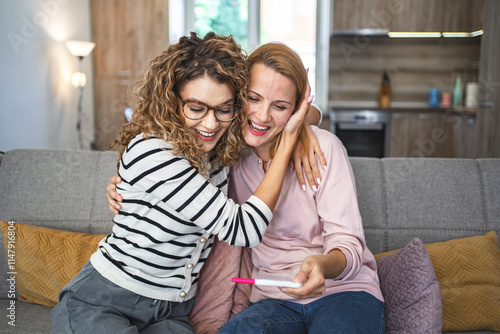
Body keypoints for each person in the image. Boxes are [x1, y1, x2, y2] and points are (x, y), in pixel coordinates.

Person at [107, 43, 384, 333]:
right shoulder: (227, 153)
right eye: (254, 98)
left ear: (296, 110)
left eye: (280, 106)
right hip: (273, 300)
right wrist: (125, 183)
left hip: (343, 293)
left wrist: (323, 265)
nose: (262, 117)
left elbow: (349, 244)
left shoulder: (323, 149)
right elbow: (169, 168)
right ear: (238, 95)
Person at [51, 32, 311, 334]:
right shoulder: (153, 151)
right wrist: (290, 141)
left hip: (171, 311)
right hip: (105, 301)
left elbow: (289, 113)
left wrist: (301, 120)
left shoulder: (217, 151)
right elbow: (244, 229)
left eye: (224, 108)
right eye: (196, 108)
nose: (211, 124)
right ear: (172, 100)